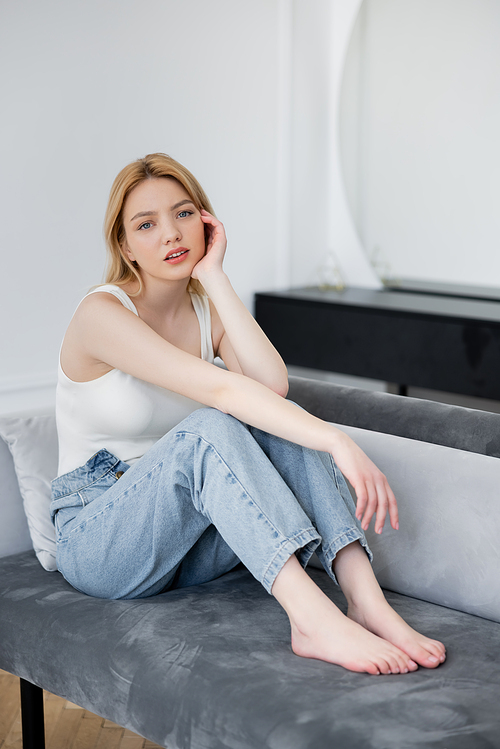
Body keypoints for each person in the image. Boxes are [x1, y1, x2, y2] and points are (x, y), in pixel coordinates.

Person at [50, 153, 446, 676]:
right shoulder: (101, 314)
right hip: (100, 539)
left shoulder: (203, 309)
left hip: (183, 540)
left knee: (273, 418)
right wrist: (337, 441)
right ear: (124, 246)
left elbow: (270, 388)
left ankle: (365, 599)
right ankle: (311, 621)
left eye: (184, 214)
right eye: (146, 225)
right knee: (212, 426)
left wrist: (214, 276)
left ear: (207, 222)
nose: (170, 234)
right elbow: (220, 389)